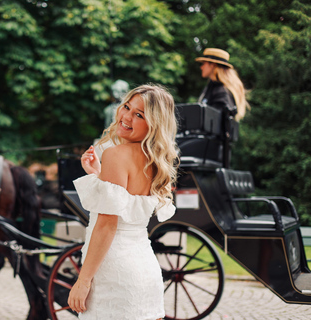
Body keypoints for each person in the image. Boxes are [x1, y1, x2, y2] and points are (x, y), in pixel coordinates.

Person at [67, 84, 179, 319]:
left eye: (139, 115)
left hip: (113, 277)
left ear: (153, 124)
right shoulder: (155, 162)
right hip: (145, 274)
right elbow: (126, 202)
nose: (126, 116)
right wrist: (98, 175)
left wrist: (83, 281)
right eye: (127, 107)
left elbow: (108, 225)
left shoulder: (115, 155)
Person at [195, 48, 250, 121]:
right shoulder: (212, 87)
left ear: (212, 65)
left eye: (203, 63)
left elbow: (215, 121)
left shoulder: (222, 92)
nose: (201, 67)